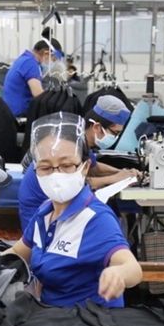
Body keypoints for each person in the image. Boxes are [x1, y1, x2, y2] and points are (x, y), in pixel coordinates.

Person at [4, 113, 142, 308]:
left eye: (67, 165)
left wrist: (117, 274)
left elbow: (133, 269)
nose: (55, 174)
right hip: (52, 319)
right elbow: (17, 254)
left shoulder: (95, 219)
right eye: (45, 167)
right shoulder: (44, 212)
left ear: (85, 167)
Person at [18, 95, 140, 231]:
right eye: (114, 133)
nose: (115, 138)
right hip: (40, 212)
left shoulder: (80, 140)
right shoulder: (68, 145)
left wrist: (125, 172)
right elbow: (76, 183)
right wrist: (115, 178)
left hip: (59, 206)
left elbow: (95, 168)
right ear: (97, 126)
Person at [3, 38, 64, 117]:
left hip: (11, 112)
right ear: (46, 54)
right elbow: (38, 93)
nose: (52, 63)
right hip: (19, 115)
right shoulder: (31, 63)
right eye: (53, 59)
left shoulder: (24, 59)